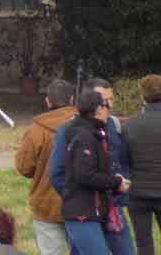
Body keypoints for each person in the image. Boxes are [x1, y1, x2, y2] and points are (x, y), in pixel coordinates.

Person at [50, 78, 135, 255]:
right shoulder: (69, 130)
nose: (109, 106)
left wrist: (119, 187)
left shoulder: (113, 125)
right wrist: (76, 196)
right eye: (105, 101)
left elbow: (121, 161)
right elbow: (57, 173)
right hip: (85, 209)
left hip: (112, 206)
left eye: (111, 100)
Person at [15, 79, 76, 255]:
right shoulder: (87, 124)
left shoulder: (37, 130)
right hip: (81, 203)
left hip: (46, 204)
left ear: (47, 101)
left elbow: (24, 167)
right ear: (72, 99)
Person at [120, 74, 161, 254]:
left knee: (143, 242)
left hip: (138, 192)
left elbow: (123, 160)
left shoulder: (130, 125)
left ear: (143, 95)